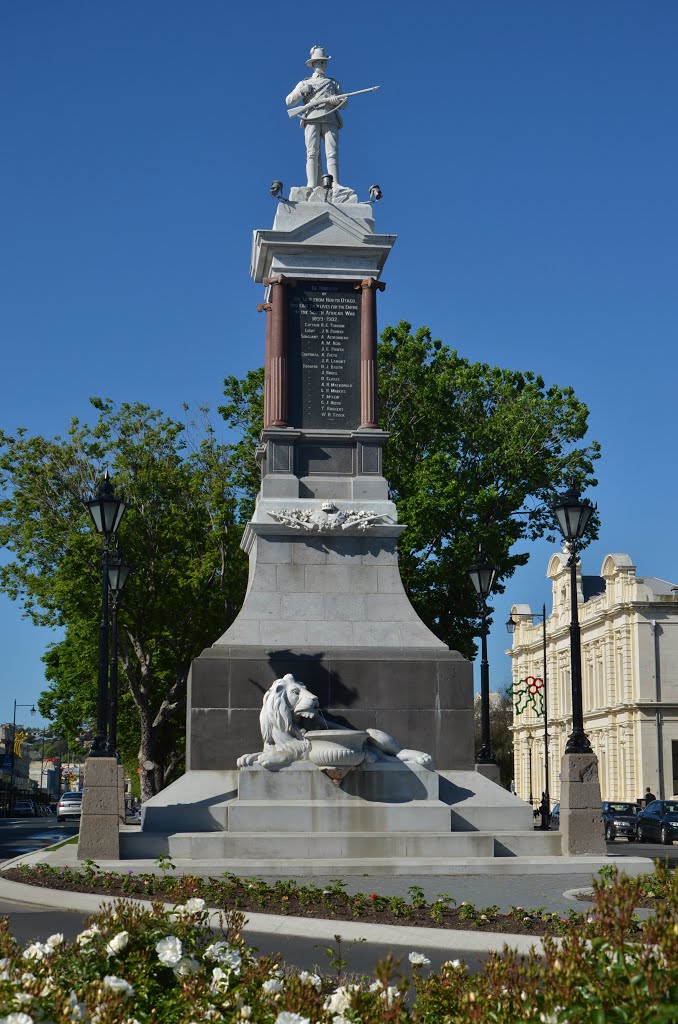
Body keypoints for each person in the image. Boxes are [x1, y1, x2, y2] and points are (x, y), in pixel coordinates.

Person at [286, 45, 345, 188]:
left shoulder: (333, 83)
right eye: (321, 62)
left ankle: (335, 183)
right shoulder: (304, 83)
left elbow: (344, 103)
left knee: (332, 152)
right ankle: (311, 185)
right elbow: (289, 101)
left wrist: (336, 100)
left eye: (325, 62)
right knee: (312, 152)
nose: (324, 64)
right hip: (311, 118)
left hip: (330, 117)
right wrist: (301, 92)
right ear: (314, 64)